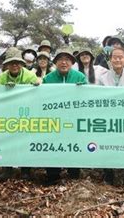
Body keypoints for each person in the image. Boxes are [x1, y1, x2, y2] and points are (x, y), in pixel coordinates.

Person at [43, 48, 86, 184]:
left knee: (74, 146)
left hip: (73, 120)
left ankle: (74, 175)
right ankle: (52, 176)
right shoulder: (48, 78)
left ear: (72, 62)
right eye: (60, 59)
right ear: (55, 62)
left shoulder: (80, 77)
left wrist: (83, 89)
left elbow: (89, 97)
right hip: (53, 121)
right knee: (52, 146)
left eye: (67, 59)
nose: (63, 62)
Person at [0, 47, 39, 180]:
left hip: (26, 113)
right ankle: (7, 169)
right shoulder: (2, 77)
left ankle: (25, 170)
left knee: (25, 140)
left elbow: (38, 87)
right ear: (7, 65)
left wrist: (38, 84)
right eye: (11, 63)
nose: (14, 65)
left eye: (17, 62)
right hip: (8, 114)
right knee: (6, 140)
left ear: (22, 64)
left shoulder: (29, 75)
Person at [98, 47, 124, 185]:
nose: (117, 60)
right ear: (110, 60)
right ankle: (108, 174)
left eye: (120, 57)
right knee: (106, 144)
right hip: (107, 118)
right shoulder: (102, 78)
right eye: (114, 57)